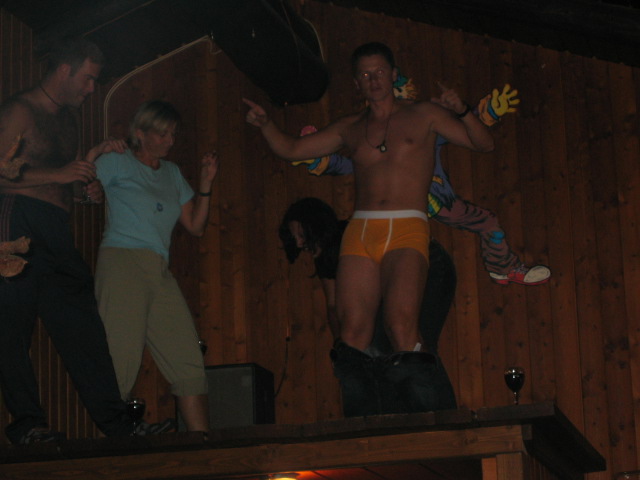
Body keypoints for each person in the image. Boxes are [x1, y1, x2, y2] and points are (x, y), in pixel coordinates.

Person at [246, 41, 493, 412]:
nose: (373, 79)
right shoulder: (350, 127)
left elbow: (483, 144)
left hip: (407, 226)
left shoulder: (425, 114)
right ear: (356, 83)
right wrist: (266, 125)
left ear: (393, 75)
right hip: (362, 230)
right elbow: (292, 149)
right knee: (351, 335)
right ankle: (362, 427)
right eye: (365, 74)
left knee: (400, 327)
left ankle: (435, 419)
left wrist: (463, 111)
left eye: (379, 72)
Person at [0, 37, 174, 444]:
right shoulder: (20, 110)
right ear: (66, 70)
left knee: (84, 327)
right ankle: (27, 426)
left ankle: (119, 426)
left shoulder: (68, 121)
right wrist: (61, 175)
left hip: (55, 229)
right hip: (14, 221)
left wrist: (81, 189)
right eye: (89, 79)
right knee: (11, 327)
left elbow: (56, 179)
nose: (92, 89)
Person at [293, 82, 551, 286]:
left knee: (487, 222)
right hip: (397, 212)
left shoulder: (424, 129)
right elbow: (348, 164)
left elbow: (463, 129)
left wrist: (488, 112)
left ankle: (504, 268)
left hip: (437, 200)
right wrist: (317, 158)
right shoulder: (372, 142)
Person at [91, 100, 218, 433]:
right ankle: (113, 444)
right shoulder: (118, 161)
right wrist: (96, 152)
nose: (169, 141)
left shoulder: (172, 173)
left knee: (188, 358)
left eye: (173, 134)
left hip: (159, 268)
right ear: (140, 132)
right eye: (162, 134)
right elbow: (81, 185)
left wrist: (206, 183)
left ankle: (204, 447)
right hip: (122, 261)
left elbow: (196, 226)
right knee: (121, 357)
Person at [279, 197, 457, 416]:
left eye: (301, 234)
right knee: (382, 351)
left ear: (316, 225)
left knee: (412, 343)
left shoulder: (351, 240)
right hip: (395, 284)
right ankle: (404, 419)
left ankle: (444, 418)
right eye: (295, 238)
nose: (299, 243)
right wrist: (345, 350)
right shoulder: (326, 257)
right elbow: (334, 307)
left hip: (429, 265)